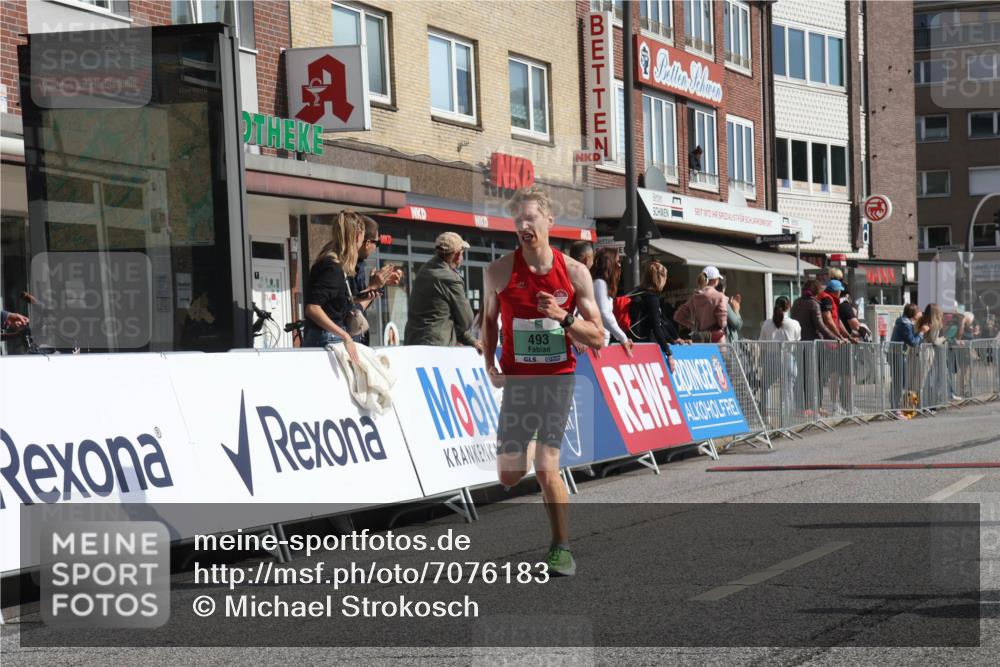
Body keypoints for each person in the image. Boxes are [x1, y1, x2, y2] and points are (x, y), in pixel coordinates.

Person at [481, 186, 605, 577]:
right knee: (508, 474)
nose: (523, 225)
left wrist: (564, 318)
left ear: (550, 221)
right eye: (518, 220)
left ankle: (561, 549)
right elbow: (487, 322)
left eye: (531, 217)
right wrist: (490, 363)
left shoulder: (574, 273)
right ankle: (531, 445)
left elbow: (598, 336)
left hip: (556, 378)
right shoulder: (498, 271)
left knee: (547, 467)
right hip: (518, 381)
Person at [302, 211, 368, 364]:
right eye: (363, 237)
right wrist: (345, 337)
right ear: (357, 236)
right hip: (327, 339)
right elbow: (312, 308)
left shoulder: (330, 263)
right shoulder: (333, 268)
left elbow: (330, 304)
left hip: (326, 337)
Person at [404, 232, 481, 352]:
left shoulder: (424, 270)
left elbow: (439, 318)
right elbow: (467, 322)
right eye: (462, 253)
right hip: (436, 348)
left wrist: (471, 341)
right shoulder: (450, 279)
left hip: (413, 343)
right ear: (457, 254)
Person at [352, 217, 403, 345]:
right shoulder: (345, 265)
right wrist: (374, 286)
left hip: (356, 338)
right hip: (346, 340)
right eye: (377, 243)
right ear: (367, 242)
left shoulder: (359, 264)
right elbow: (351, 308)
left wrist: (379, 285)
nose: (376, 248)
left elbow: (360, 304)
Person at [630, 260, 679, 367]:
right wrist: (669, 353)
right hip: (645, 344)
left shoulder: (638, 292)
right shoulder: (652, 298)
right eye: (665, 277)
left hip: (633, 342)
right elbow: (657, 328)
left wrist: (673, 340)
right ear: (660, 278)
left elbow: (661, 321)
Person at [590, 247, 634, 356]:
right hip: (596, 342)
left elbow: (608, 315)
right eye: (618, 261)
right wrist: (622, 338)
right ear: (609, 263)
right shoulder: (600, 283)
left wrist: (621, 336)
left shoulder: (601, 284)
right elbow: (604, 314)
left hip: (600, 340)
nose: (619, 265)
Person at [890, 303, 930, 412]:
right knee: (899, 382)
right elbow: (913, 342)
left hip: (899, 353)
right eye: (918, 312)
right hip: (897, 354)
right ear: (913, 313)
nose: (920, 313)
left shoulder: (906, 322)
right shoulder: (905, 324)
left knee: (899, 381)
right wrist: (921, 332)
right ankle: (895, 409)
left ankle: (895, 408)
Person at [674, 266, 728, 343]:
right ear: (715, 280)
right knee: (720, 355)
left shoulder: (695, 297)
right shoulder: (720, 297)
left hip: (700, 337)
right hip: (717, 337)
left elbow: (678, 317)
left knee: (703, 355)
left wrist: (692, 325)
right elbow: (722, 323)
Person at [716, 274, 743, 343]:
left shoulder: (709, 301)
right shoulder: (723, 303)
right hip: (726, 346)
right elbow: (737, 324)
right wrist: (736, 310)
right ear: (724, 288)